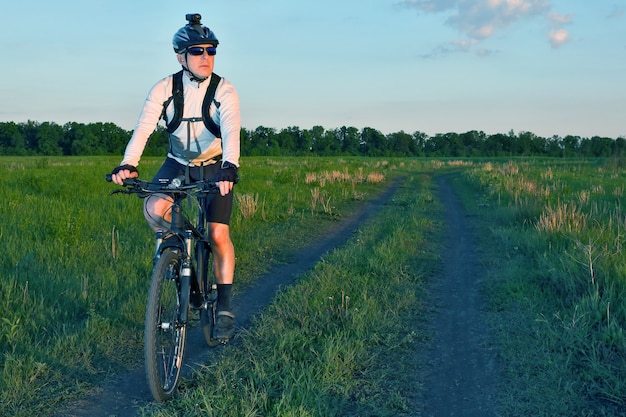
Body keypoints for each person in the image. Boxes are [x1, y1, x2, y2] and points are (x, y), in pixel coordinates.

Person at [110, 13, 240, 341]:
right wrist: (128, 163)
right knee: (154, 209)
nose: (206, 57)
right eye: (197, 51)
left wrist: (230, 166)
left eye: (211, 50)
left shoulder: (224, 90)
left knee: (218, 233)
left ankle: (223, 305)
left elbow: (232, 129)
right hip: (177, 163)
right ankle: (178, 261)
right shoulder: (164, 88)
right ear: (180, 56)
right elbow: (143, 127)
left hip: (214, 166)